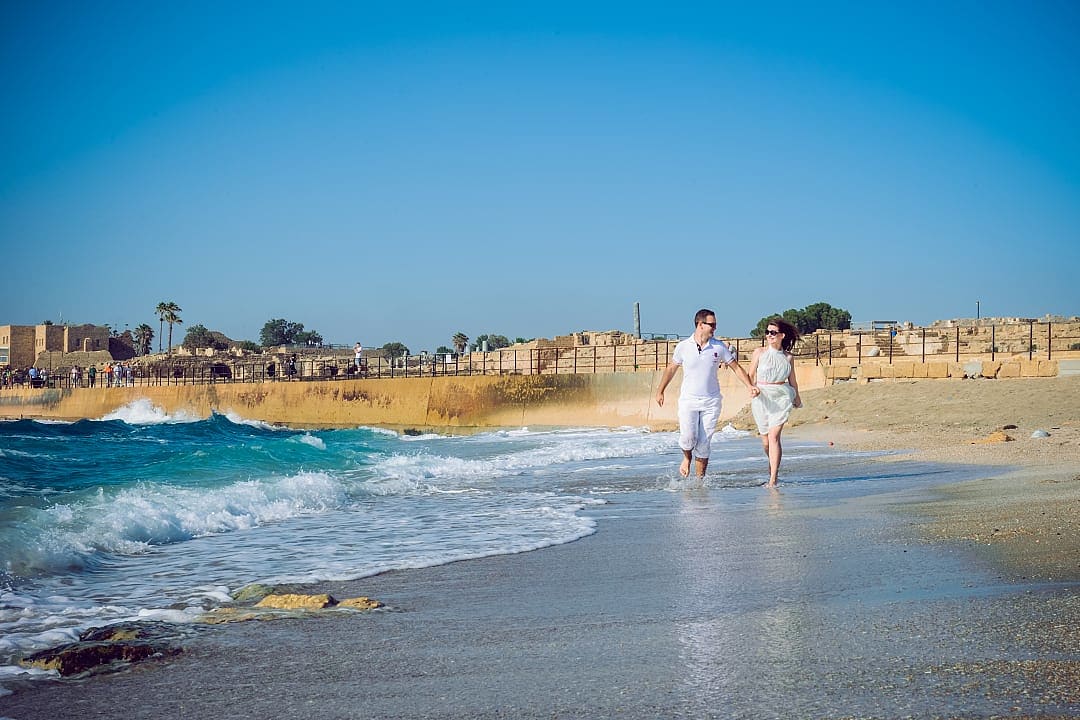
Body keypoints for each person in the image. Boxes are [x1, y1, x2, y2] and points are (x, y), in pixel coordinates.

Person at [656, 308, 759, 478]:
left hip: (711, 401)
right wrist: (660, 391)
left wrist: (750, 385)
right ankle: (686, 458)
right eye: (712, 325)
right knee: (688, 437)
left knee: (704, 443)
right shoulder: (683, 347)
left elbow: (736, 368)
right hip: (688, 400)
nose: (715, 328)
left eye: (715, 325)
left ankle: (700, 482)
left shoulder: (718, 346)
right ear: (700, 324)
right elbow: (671, 369)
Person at [748, 317, 803, 487]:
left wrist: (797, 398)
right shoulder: (759, 352)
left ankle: (773, 478)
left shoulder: (788, 357)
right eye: (767, 332)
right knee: (766, 441)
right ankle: (772, 462)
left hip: (781, 396)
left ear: (782, 335)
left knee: (774, 437)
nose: (769, 335)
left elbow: (792, 380)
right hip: (761, 397)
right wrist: (752, 388)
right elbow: (750, 376)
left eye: (773, 332)